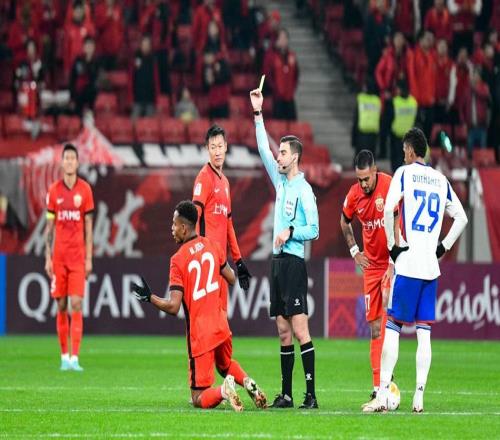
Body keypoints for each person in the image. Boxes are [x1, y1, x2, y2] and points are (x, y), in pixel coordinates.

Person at [131, 200, 267, 411]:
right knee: (225, 365)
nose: (172, 228)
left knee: (197, 397)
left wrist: (150, 298)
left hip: (201, 334)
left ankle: (224, 391)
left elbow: (174, 306)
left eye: (174, 224)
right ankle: (248, 381)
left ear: (184, 228)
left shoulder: (178, 260)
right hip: (221, 324)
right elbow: (231, 279)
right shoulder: (213, 245)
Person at [374, 127, 468, 412]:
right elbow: (461, 217)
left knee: (393, 327)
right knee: (424, 332)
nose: (403, 155)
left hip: (408, 264)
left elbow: (388, 209)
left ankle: (382, 393)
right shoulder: (441, 179)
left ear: (410, 150)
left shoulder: (404, 173)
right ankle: (419, 396)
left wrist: (392, 246)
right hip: (430, 266)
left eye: (404, 151)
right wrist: (443, 247)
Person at [250, 88, 319, 409]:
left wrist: (290, 231)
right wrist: (258, 113)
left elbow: (314, 230)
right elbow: (261, 148)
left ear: (294, 157)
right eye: (278, 152)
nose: (277, 157)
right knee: (282, 329)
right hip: (277, 263)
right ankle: (287, 395)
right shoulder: (280, 183)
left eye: (283, 153)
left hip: (293, 263)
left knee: (300, 328)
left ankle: (311, 395)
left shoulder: (304, 190)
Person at [340, 149, 395, 412]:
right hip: (371, 268)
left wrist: (395, 260)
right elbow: (344, 221)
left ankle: (386, 383)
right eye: (359, 179)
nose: (363, 184)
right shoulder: (354, 195)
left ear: (374, 171)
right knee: (374, 329)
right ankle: (378, 388)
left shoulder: (389, 185)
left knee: (388, 324)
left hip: (391, 264)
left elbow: (400, 221)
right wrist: (354, 251)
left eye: (366, 178)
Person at [45, 144, 94, 372]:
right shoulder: (53, 191)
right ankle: (64, 356)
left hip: (77, 258)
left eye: (73, 158)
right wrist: (47, 257)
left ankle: (75, 358)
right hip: (58, 258)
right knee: (62, 304)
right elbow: (49, 228)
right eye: (66, 158)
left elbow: (89, 227)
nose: (70, 161)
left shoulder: (85, 190)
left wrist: (89, 258)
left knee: (76, 303)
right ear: (62, 162)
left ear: (77, 162)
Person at [192, 125, 252, 313]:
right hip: (206, 262)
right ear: (207, 149)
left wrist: (238, 261)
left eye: (220, 146)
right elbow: (194, 216)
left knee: (221, 318)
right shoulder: (204, 178)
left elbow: (228, 225)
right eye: (213, 147)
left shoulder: (225, 182)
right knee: (206, 318)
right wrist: (198, 253)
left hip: (221, 263)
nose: (217, 152)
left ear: (226, 146)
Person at [390, 80, 417, 171]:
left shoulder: (395, 101)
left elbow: (390, 118)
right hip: (409, 137)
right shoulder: (413, 102)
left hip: (396, 135)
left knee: (396, 163)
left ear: (400, 89)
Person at [69, 36, 100, 116]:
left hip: (92, 94)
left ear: (94, 47)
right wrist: (72, 97)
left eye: (91, 46)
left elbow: (97, 79)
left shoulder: (97, 62)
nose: (89, 48)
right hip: (80, 94)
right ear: (83, 47)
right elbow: (72, 79)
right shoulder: (78, 61)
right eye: (87, 45)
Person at [352, 77, 381, 158]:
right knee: (371, 157)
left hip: (362, 131)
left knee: (360, 158)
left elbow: (356, 117)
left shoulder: (361, 98)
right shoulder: (377, 100)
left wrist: (354, 135)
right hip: (373, 132)